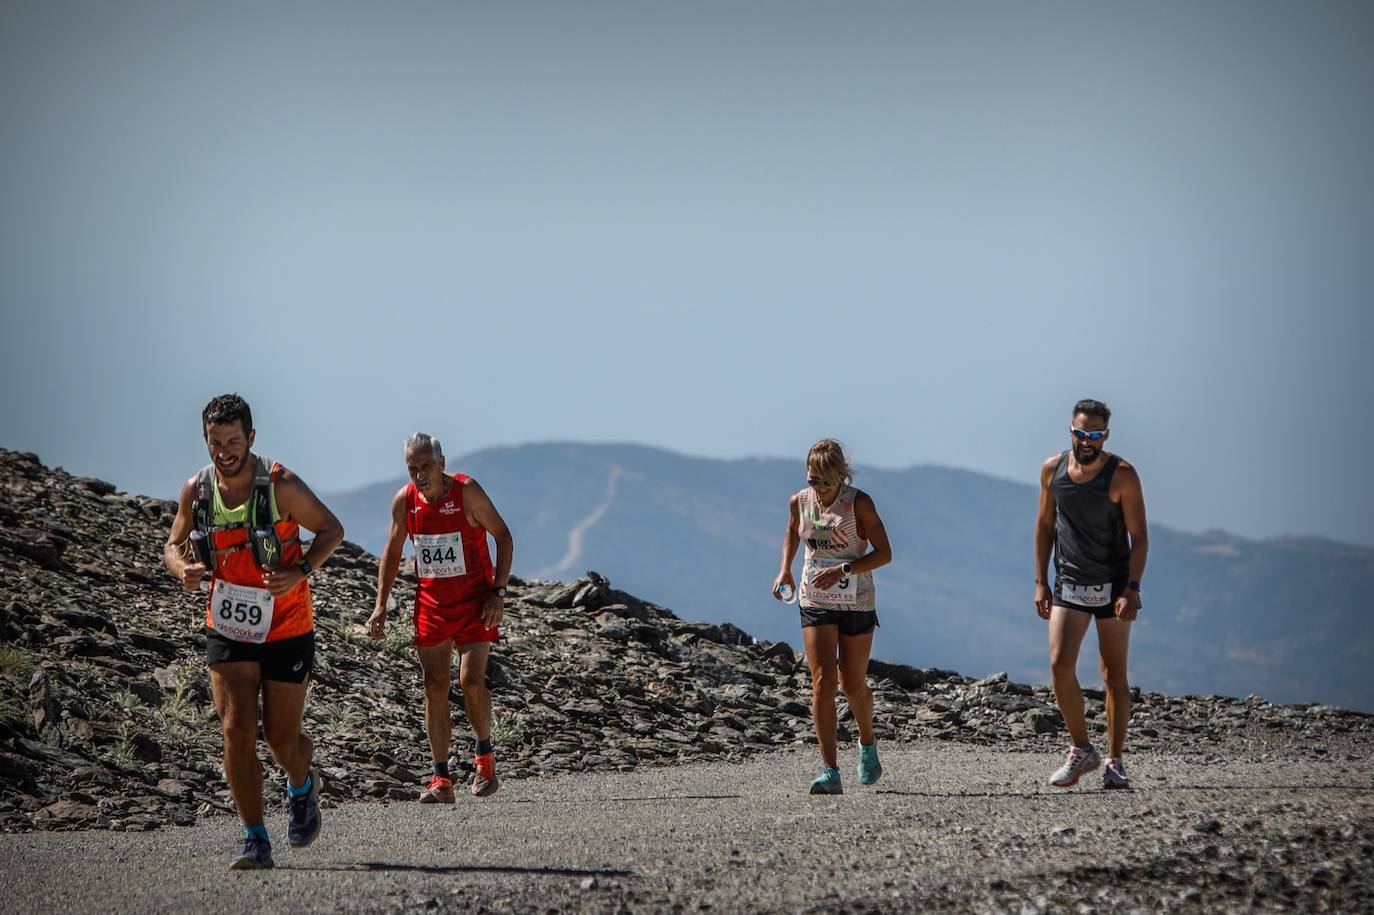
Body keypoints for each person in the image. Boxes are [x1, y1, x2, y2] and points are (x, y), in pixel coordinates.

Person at [163, 394, 344, 869]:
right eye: (215, 441)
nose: (224, 451)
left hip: (286, 625)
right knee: (235, 729)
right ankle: (254, 837)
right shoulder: (196, 490)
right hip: (227, 625)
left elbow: (331, 530)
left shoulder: (280, 484)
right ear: (205, 439)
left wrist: (300, 569)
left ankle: (302, 785)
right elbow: (172, 544)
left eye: (233, 441)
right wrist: (182, 568)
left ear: (252, 439)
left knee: (281, 739)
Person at [368, 432, 514, 803]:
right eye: (412, 468)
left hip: (474, 602)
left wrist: (498, 592)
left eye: (426, 466)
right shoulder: (406, 501)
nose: (419, 475)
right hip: (431, 605)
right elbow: (392, 548)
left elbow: (504, 536)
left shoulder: (467, 493)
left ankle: (484, 756)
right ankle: (441, 779)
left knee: (470, 680)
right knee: (434, 686)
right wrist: (380, 605)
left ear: (442, 463)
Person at [1034, 399, 1149, 790]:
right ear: (1071, 430)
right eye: (1081, 433)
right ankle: (1081, 748)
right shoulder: (1053, 470)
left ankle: (1115, 762)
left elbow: (1141, 537)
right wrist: (1040, 581)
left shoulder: (1123, 476)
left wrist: (1131, 589)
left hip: (1113, 586)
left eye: (1095, 435)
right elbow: (1045, 525)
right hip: (1068, 582)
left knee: (1112, 674)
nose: (1087, 441)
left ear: (1106, 435)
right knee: (1059, 665)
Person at [773, 439, 893, 794]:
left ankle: (867, 743)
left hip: (856, 600)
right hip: (815, 599)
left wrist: (845, 568)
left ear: (842, 475)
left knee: (852, 684)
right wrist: (785, 570)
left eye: (826, 481)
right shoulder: (800, 501)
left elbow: (885, 553)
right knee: (823, 682)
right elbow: (791, 533)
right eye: (813, 480)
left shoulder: (859, 503)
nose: (819, 487)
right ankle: (830, 771)